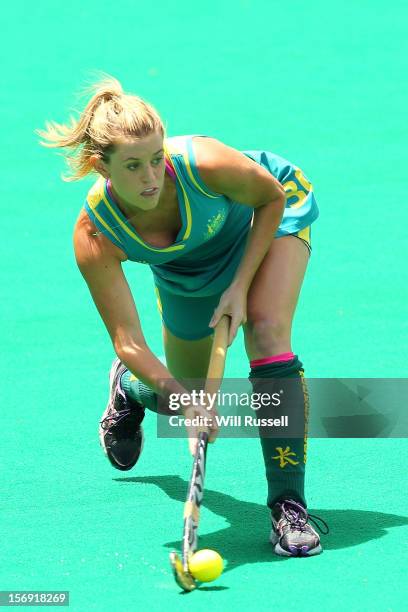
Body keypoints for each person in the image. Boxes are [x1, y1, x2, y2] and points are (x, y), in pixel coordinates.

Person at [37, 74, 329, 557]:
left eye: (156, 159)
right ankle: (129, 390)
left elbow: (271, 198)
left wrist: (240, 286)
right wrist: (182, 400)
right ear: (99, 164)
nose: (152, 177)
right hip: (185, 269)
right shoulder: (94, 234)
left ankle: (288, 506)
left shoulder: (203, 163)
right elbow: (128, 341)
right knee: (189, 394)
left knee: (266, 328)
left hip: (264, 221)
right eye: (133, 166)